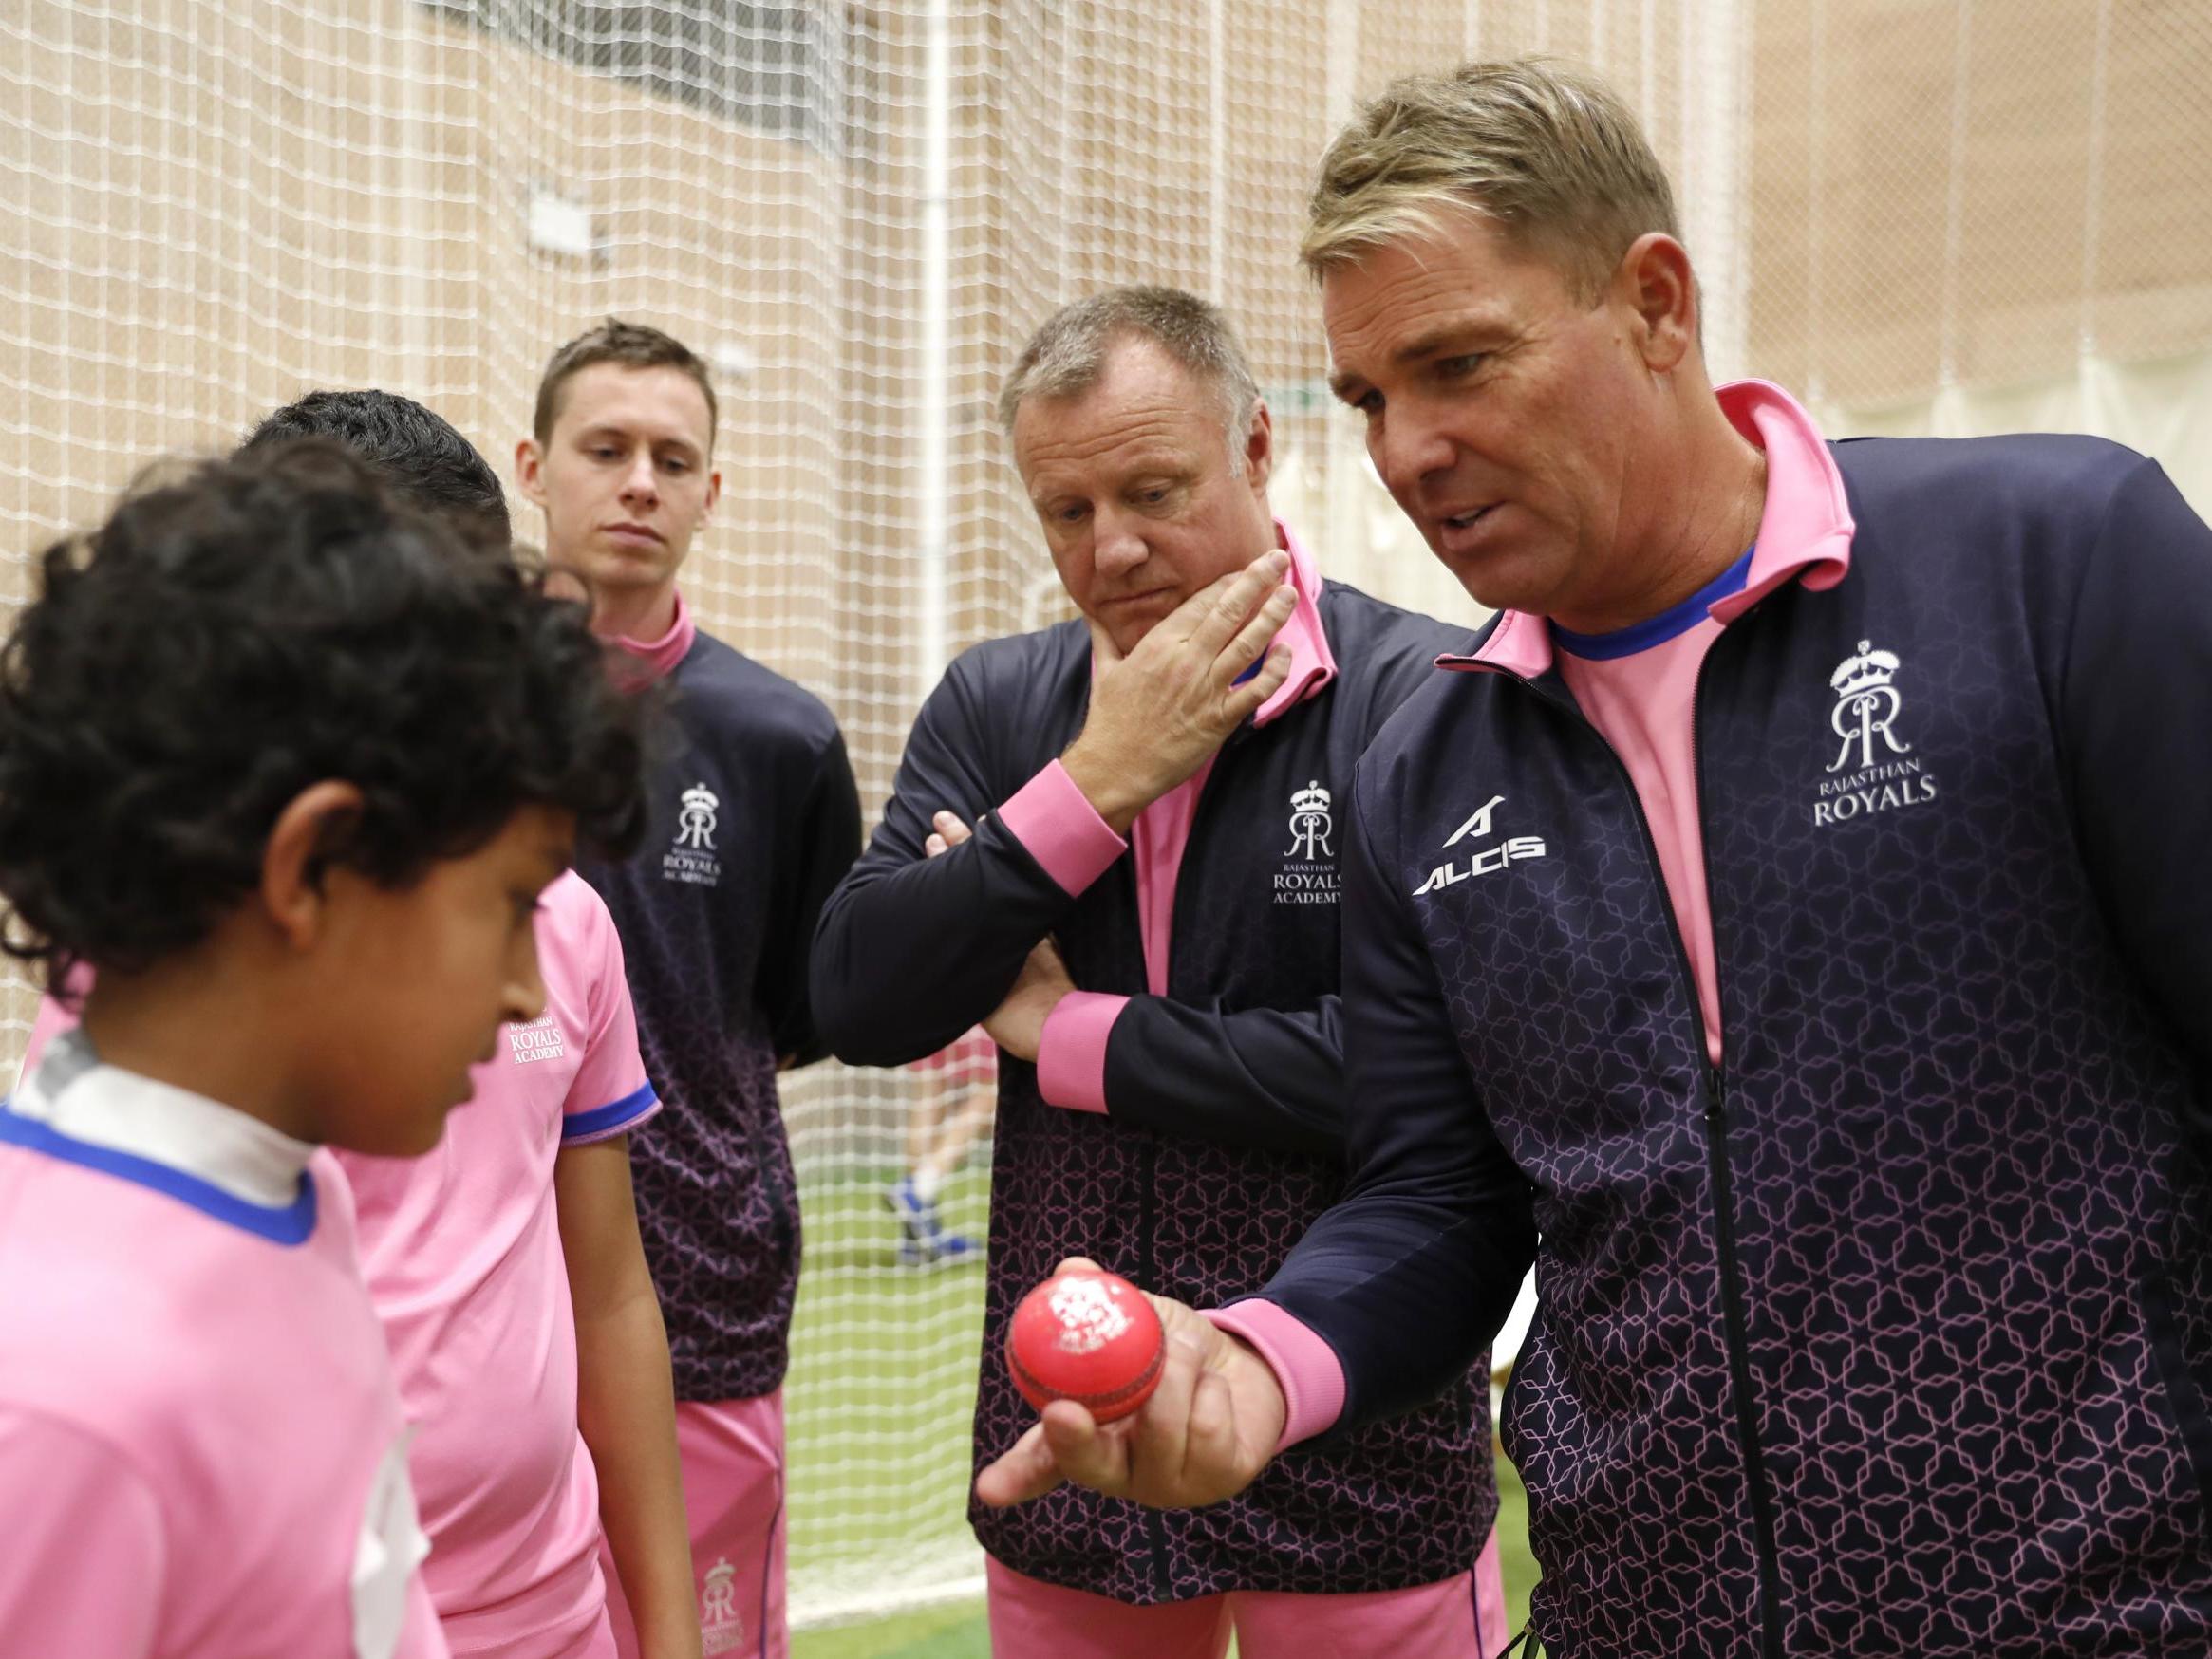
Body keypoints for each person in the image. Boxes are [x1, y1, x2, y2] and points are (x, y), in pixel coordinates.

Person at [978, 59, 2212, 1657]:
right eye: (1370, 400)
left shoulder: (2053, 561)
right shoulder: (1426, 757)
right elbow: (1440, 1195)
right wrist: (1262, 1359)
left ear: (1656, 302)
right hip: (1644, 1618)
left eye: (1460, 364)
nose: (1411, 450)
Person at [814, 287, 1509, 1658]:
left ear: (1258, 447)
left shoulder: (1427, 692)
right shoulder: (1000, 704)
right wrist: (1092, 784)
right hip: (1069, 1445)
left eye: (1151, 488)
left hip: (1349, 1432)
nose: (1111, 547)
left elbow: (1417, 1072)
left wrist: (1063, 1032)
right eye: (1064, 511)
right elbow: (860, 997)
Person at [18, 390, 701, 1659]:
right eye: (502, 908)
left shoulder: (293, 1201)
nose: (522, 988)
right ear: (311, 866)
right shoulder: (64, 1403)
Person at [517, 320, 863, 1659]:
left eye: (673, 458)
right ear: (533, 464)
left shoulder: (781, 737)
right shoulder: (446, 709)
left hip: (701, 1275)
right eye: (606, 450)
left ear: (713, 492)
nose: (639, 483)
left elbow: (795, 1013)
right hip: (490, 1273)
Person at [888, 1029, 996, 1265]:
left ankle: (914, 1238)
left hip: (926, 1006)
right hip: (975, 1010)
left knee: (929, 1095)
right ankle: (920, 1187)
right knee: (992, 1091)